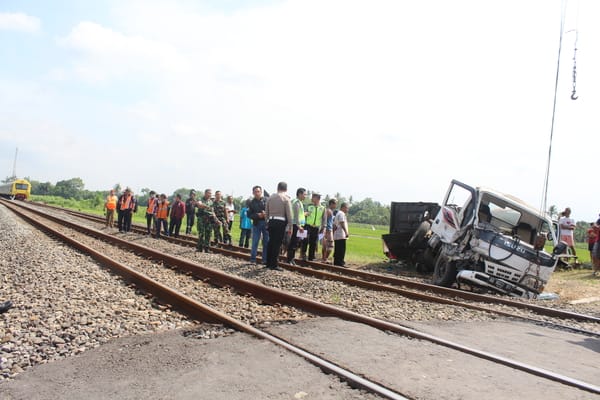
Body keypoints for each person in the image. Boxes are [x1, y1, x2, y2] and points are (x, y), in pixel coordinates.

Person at [265, 182, 292, 270]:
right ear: (286, 189)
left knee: (271, 242)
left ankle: (268, 263)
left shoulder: (270, 198)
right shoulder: (286, 198)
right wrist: (290, 225)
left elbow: (266, 211)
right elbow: (289, 214)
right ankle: (274, 264)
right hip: (280, 222)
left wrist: (267, 222)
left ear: (277, 188)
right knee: (277, 244)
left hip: (271, 221)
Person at [301, 193, 325, 261]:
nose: (311, 199)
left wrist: (323, 228)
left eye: (313, 197)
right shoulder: (309, 206)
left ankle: (311, 257)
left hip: (316, 227)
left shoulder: (322, 208)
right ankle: (303, 254)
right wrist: (305, 214)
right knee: (305, 240)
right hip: (307, 226)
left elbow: (324, 219)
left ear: (317, 199)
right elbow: (302, 214)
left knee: (313, 242)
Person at [248, 185, 269, 264]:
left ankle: (265, 260)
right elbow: (249, 215)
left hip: (266, 223)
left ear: (261, 192)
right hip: (256, 223)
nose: (257, 193)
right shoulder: (251, 202)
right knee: (255, 242)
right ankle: (253, 259)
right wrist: (257, 215)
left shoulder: (267, 200)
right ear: (253, 192)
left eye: (258, 191)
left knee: (266, 242)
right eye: (255, 192)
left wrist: (265, 214)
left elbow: (271, 210)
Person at [286, 188, 307, 265]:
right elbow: (296, 216)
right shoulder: (296, 203)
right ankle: (289, 259)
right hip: (296, 226)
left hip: (298, 225)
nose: (305, 196)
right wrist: (299, 226)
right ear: (300, 194)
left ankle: (292, 259)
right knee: (293, 242)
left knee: (296, 243)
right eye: (304, 194)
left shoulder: (300, 202)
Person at [333, 202, 350, 267]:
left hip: (338, 234)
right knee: (341, 249)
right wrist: (346, 232)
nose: (347, 210)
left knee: (337, 249)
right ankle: (340, 262)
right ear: (343, 207)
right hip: (340, 234)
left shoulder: (339, 213)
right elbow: (342, 223)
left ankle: (336, 262)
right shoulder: (341, 214)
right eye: (347, 208)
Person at [321, 198, 337, 263]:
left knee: (325, 245)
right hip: (328, 230)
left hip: (327, 229)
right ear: (331, 204)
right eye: (335, 204)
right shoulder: (328, 211)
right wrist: (326, 230)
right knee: (330, 245)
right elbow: (325, 221)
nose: (336, 206)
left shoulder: (329, 211)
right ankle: (325, 258)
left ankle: (324, 258)